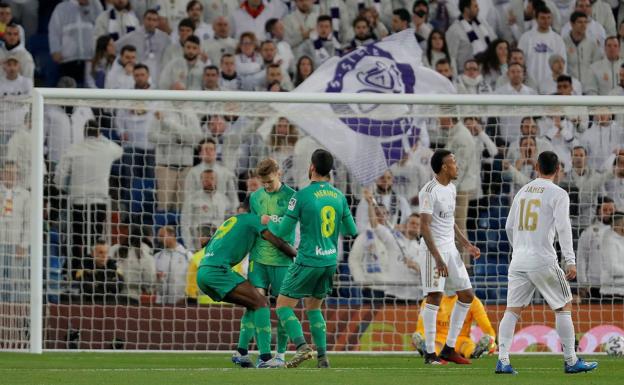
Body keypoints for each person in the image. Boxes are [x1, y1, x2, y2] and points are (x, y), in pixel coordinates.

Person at [496, 151, 598, 374]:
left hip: (518, 260)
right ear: (558, 169)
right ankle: (571, 361)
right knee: (563, 306)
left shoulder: (522, 191)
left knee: (512, 310)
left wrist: (520, 247)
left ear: (536, 167)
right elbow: (564, 227)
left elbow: (508, 227)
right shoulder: (558, 193)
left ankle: (503, 360)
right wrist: (570, 260)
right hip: (542, 258)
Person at [271, 149, 358, 369]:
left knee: (282, 305)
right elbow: (351, 230)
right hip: (330, 261)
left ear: (311, 167)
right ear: (329, 171)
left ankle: (301, 347)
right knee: (314, 308)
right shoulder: (339, 196)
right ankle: (323, 358)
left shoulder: (300, 196)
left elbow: (282, 232)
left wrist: (269, 219)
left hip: (307, 259)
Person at [196, 199, 297, 368]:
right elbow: (277, 241)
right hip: (217, 271)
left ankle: (242, 353)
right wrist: (298, 256)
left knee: (252, 304)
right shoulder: (254, 220)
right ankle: (265, 358)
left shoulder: (231, 221)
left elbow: (207, 242)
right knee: (261, 302)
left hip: (204, 272)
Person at [418, 149, 481, 365]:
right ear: (444, 167)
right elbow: (424, 226)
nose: (457, 166)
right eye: (453, 162)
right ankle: (429, 353)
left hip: (451, 250)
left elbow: (449, 220)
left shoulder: (452, 188)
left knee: (467, 295)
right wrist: (437, 258)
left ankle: (449, 348)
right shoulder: (429, 191)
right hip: (432, 251)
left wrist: (466, 244)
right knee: (434, 296)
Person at [233, 158, 296, 367]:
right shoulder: (255, 198)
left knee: (283, 309)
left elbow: (288, 230)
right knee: (254, 305)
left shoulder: (292, 198)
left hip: (283, 261)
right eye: (263, 183)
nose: (266, 186)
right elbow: (254, 225)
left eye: (269, 181)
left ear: (278, 173)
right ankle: (252, 353)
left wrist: (272, 221)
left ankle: (280, 354)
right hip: (258, 259)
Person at [55, 120, 122, 262]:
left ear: (84, 133)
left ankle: (75, 269)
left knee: (77, 236)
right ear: (99, 133)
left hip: (78, 200)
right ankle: (94, 268)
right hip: (100, 200)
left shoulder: (74, 148)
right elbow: (120, 150)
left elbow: (60, 175)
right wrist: (102, 138)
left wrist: (64, 188)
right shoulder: (108, 148)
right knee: (96, 237)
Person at [412, 294, 496, 359]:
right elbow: (422, 327)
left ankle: (475, 352)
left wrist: (491, 339)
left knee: (469, 348)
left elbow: (487, 327)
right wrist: (419, 335)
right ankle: (426, 349)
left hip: (461, 340)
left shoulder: (473, 301)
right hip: (440, 340)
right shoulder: (430, 300)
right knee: (434, 348)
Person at [48, 0, 103, 86]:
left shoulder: (96, 4)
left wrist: (99, 51)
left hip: (90, 59)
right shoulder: (61, 8)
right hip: (68, 59)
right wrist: (55, 50)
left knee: (91, 91)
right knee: (69, 92)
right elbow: (54, 31)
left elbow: (101, 28)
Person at [115, 9, 170, 84]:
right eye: (149, 19)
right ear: (143, 20)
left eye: (154, 20)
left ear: (157, 22)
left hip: (157, 74)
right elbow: (115, 48)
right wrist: (124, 64)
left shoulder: (164, 38)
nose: (151, 22)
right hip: (138, 75)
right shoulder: (132, 36)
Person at [0, 161, 29, 304]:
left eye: (13, 173)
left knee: (14, 283)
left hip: (16, 244)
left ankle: (13, 316)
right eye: (7, 172)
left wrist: (23, 244)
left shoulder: (25, 195)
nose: (10, 176)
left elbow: (29, 222)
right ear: (2, 174)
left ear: (17, 176)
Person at [576, 196, 616, 300]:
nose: (608, 212)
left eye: (611, 210)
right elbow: (581, 259)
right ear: (598, 211)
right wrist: (583, 283)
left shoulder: (621, 232)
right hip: (595, 286)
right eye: (605, 210)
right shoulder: (589, 232)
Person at [181, 169, 230, 251]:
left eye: (212, 178)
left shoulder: (224, 199)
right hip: (198, 245)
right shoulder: (192, 199)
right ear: (201, 181)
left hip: (219, 244)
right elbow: (185, 224)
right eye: (206, 179)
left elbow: (229, 222)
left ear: (216, 180)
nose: (209, 181)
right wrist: (190, 247)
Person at [517, 6, 566, 86]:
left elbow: (563, 65)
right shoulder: (526, 38)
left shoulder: (558, 39)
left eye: (548, 18)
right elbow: (519, 62)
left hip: (551, 85)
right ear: (536, 19)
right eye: (543, 18)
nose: (546, 21)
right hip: (530, 84)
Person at [445, 0, 496, 76]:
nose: (478, 9)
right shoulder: (454, 30)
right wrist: (455, 78)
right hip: (466, 74)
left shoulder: (482, 23)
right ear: (466, 9)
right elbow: (451, 57)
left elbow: (494, 41)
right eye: (475, 6)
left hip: (487, 70)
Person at [355, 169, 412, 234]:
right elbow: (360, 225)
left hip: (396, 239)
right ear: (376, 180)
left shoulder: (401, 201)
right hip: (374, 238)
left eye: (389, 178)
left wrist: (401, 228)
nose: (385, 181)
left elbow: (409, 222)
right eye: (382, 178)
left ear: (392, 180)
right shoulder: (367, 200)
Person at [76, 239, 124, 304]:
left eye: (106, 253)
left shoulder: (113, 265)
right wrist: (107, 283)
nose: (104, 256)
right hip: (88, 303)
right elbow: (85, 287)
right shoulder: (84, 264)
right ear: (93, 254)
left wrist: (97, 284)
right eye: (101, 252)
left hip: (108, 304)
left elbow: (119, 287)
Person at [154, 226, 192, 305]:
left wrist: (186, 298)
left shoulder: (187, 255)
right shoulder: (157, 256)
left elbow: (193, 280)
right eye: (159, 236)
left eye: (162, 236)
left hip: (180, 303)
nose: (159, 239)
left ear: (172, 235)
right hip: (160, 303)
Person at [600, 211, 624, 300]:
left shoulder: (621, 238)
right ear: (617, 225)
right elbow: (613, 269)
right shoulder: (609, 241)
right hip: (613, 293)